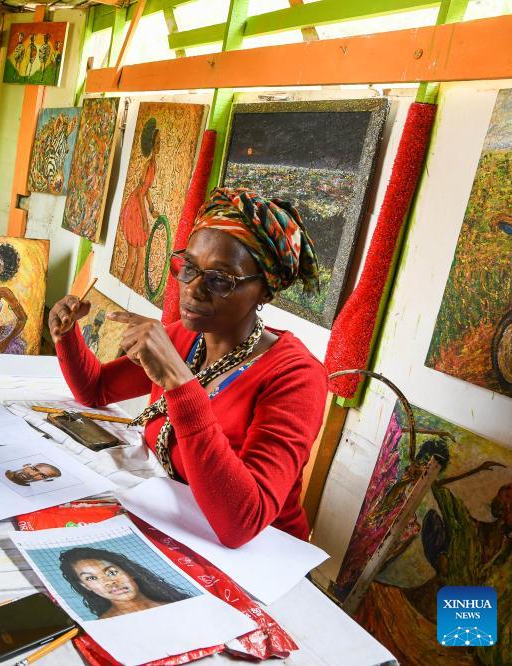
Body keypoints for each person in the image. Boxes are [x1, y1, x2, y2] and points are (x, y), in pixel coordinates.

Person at [50, 187, 327, 548]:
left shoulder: (296, 377)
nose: (193, 290)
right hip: (183, 522)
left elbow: (242, 523)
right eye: (189, 268)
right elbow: (97, 389)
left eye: (219, 280)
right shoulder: (186, 337)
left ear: (265, 291)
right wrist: (67, 336)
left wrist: (179, 382)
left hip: (261, 553)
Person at [59, 547, 191, 620]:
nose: (109, 582)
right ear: (85, 586)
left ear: (128, 572)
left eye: (112, 572)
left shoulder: (181, 606)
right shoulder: (103, 626)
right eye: (92, 578)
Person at [117, 117, 161, 291]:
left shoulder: (154, 165)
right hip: (134, 207)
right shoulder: (148, 165)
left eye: (160, 142)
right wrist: (144, 219)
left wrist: (152, 209)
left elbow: (146, 190)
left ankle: (129, 290)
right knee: (134, 257)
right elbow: (139, 193)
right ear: (151, 145)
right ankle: (123, 290)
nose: (159, 145)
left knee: (138, 257)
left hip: (139, 206)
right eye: (157, 143)